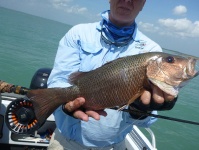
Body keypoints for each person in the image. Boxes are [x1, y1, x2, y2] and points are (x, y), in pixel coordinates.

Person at [47, 0, 176, 149]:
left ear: (143, 4)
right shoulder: (78, 33)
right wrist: (65, 104)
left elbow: (146, 122)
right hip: (66, 143)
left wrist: (139, 111)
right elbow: (59, 80)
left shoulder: (151, 50)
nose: (127, 0)